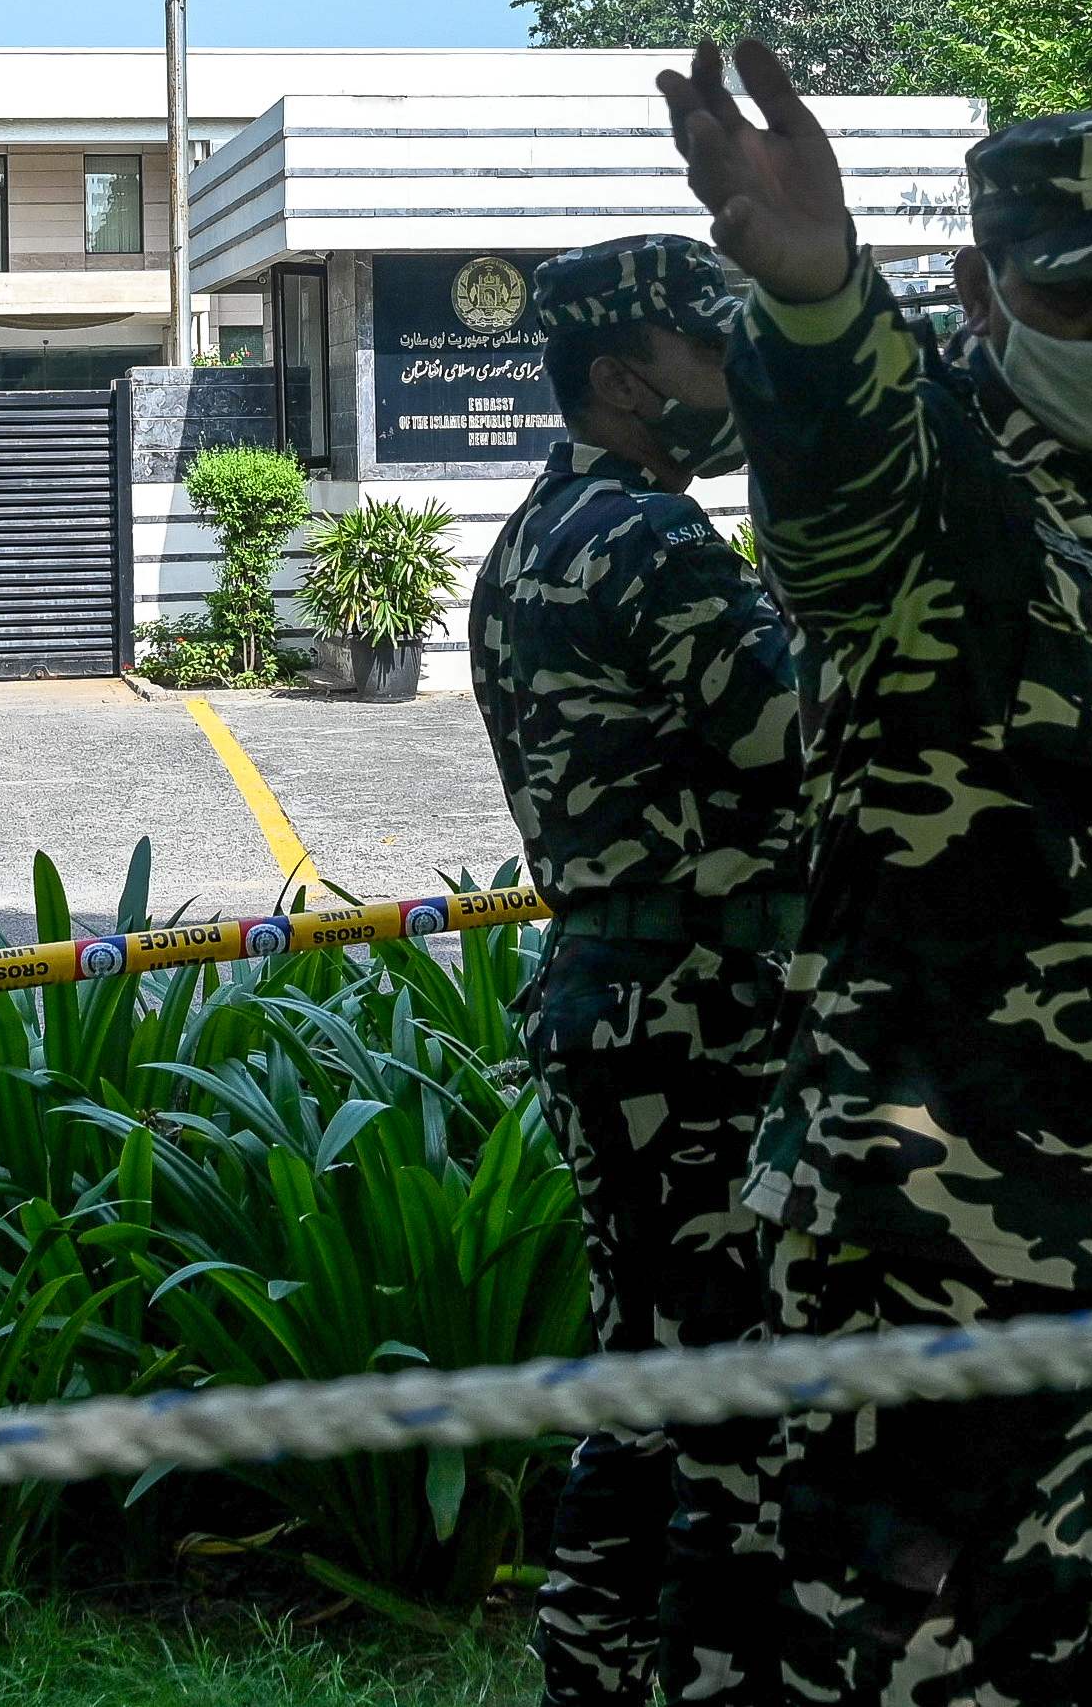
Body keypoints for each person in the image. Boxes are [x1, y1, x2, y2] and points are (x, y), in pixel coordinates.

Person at [656, 42, 1092, 1707]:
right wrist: (812, 296)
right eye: (1082, 304)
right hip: (944, 1244)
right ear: (978, 291)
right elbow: (840, 489)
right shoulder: (933, 481)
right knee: (931, 1660)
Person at [470, 232, 812, 1706]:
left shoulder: (544, 528)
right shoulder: (651, 541)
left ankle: (595, 1671)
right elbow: (805, 747)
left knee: (651, 1384)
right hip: (698, 1024)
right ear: (624, 378)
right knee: (727, 1404)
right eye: (708, 349)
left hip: (627, 1008)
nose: (734, 376)